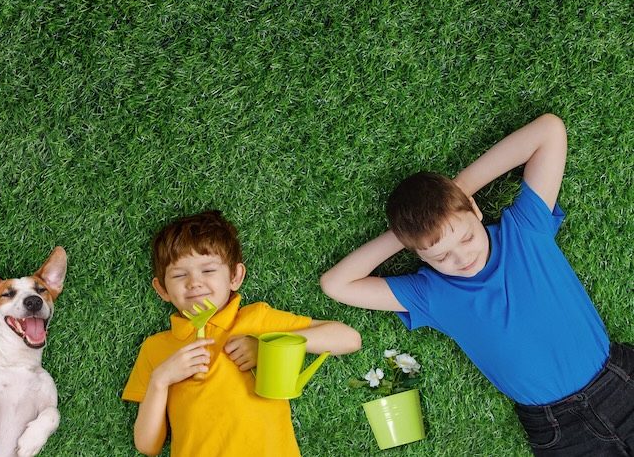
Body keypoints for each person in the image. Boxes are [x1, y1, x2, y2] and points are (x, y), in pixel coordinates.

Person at [320, 113, 634, 455]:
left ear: (475, 209)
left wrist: (456, 193)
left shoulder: (524, 231)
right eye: (440, 256)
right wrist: (411, 237)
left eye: (466, 237)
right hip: (557, 427)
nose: (461, 258)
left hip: (619, 382)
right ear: (421, 258)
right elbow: (336, 284)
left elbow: (549, 131)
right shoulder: (430, 293)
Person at [123, 210, 361, 456]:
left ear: (235, 277)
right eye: (180, 274)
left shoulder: (256, 319)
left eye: (208, 270)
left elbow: (348, 338)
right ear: (162, 289)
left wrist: (268, 348)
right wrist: (161, 380)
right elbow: (148, 446)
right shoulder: (155, 348)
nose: (194, 282)